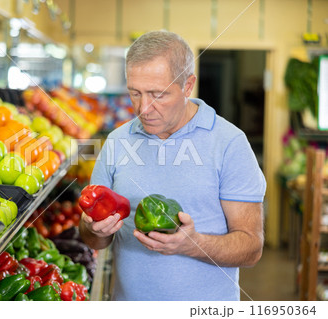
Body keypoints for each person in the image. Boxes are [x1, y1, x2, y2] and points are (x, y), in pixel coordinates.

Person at [79, 30, 266, 301]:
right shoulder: (117, 141)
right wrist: (93, 229)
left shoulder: (229, 143)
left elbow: (252, 248)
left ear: (188, 86)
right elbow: (94, 239)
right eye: (135, 93)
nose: (144, 108)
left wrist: (192, 245)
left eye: (158, 94)